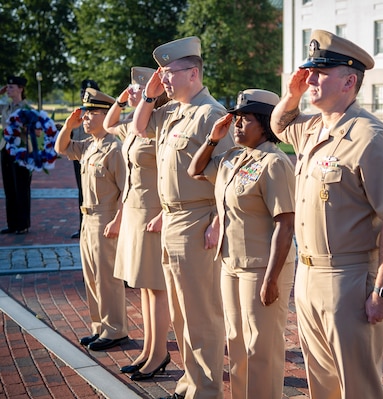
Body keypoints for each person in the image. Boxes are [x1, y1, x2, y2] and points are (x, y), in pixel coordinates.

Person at [269, 30, 383, 399]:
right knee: (322, 386)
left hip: (350, 278)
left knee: (357, 386)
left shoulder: (371, 138)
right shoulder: (314, 127)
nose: (310, 78)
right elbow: (278, 126)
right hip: (309, 274)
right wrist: (292, 94)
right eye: (310, 71)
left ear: (349, 81)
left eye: (321, 72)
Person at [132, 36, 234, 399]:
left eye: (170, 73)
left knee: (202, 314)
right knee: (180, 313)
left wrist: (220, 222)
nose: (165, 80)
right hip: (172, 221)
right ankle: (190, 382)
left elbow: (228, 174)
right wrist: (149, 94)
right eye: (161, 73)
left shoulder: (211, 114)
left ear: (193, 73)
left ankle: (206, 389)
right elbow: (139, 127)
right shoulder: (173, 112)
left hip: (198, 221)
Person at [188, 89, 295, 399]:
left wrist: (271, 278)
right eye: (236, 119)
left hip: (261, 268)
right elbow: (195, 170)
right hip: (230, 264)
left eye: (246, 120)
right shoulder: (232, 158)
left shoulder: (274, 163)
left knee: (261, 346)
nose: (237, 125)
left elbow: (285, 225)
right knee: (236, 342)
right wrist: (212, 138)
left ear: (265, 124)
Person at [103, 66, 171, 380]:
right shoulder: (133, 125)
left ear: (153, 93)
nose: (131, 93)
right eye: (131, 88)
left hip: (152, 212)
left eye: (137, 88)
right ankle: (148, 349)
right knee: (143, 286)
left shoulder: (158, 127)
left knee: (156, 287)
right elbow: (108, 122)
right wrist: (121, 98)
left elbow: (172, 174)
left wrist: (164, 212)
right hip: (133, 212)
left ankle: (159, 354)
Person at [54, 88, 129, 351]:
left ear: (107, 115)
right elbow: (60, 147)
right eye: (84, 113)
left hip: (106, 218)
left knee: (107, 277)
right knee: (92, 277)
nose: (85, 118)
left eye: (91, 113)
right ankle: (100, 327)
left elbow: (126, 189)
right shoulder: (89, 145)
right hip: (87, 219)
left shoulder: (114, 148)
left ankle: (116, 329)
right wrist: (68, 125)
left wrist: (118, 220)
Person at [0, 76, 32, 235]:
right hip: (5, 148)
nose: (9, 89)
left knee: (21, 186)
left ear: (21, 89)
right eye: (7, 87)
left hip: (21, 149)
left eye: (12, 87)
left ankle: (23, 224)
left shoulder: (26, 108)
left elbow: (34, 130)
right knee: (9, 187)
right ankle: (12, 223)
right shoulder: (5, 106)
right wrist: (1, 92)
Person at [70, 79, 101, 239]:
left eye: (87, 91)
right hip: (80, 156)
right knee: (81, 192)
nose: (83, 94)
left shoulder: (101, 112)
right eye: (82, 91)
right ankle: (82, 226)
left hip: (97, 155)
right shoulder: (79, 112)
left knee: (94, 192)